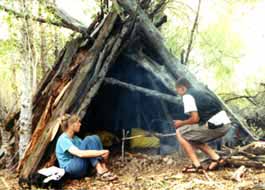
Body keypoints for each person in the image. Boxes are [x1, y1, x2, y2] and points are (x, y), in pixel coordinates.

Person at [174, 77, 231, 173]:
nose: (178, 94)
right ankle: (216, 159)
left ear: (183, 88)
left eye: (178, 91)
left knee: (179, 132)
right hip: (225, 124)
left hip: (216, 126)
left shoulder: (187, 96)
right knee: (192, 136)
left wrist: (181, 123)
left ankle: (197, 165)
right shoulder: (202, 92)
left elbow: (195, 119)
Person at [55, 114, 117, 181]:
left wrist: (103, 158)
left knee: (95, 137)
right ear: (71, 125)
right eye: (78, 122)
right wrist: (101, 152)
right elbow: (80, 154)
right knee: (88, 139)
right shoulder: (63, 139)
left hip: (80, 166)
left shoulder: (76, 138)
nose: (80, 124)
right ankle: (99, 170)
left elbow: (89, 149)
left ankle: (103, 167)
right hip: (70, 170)